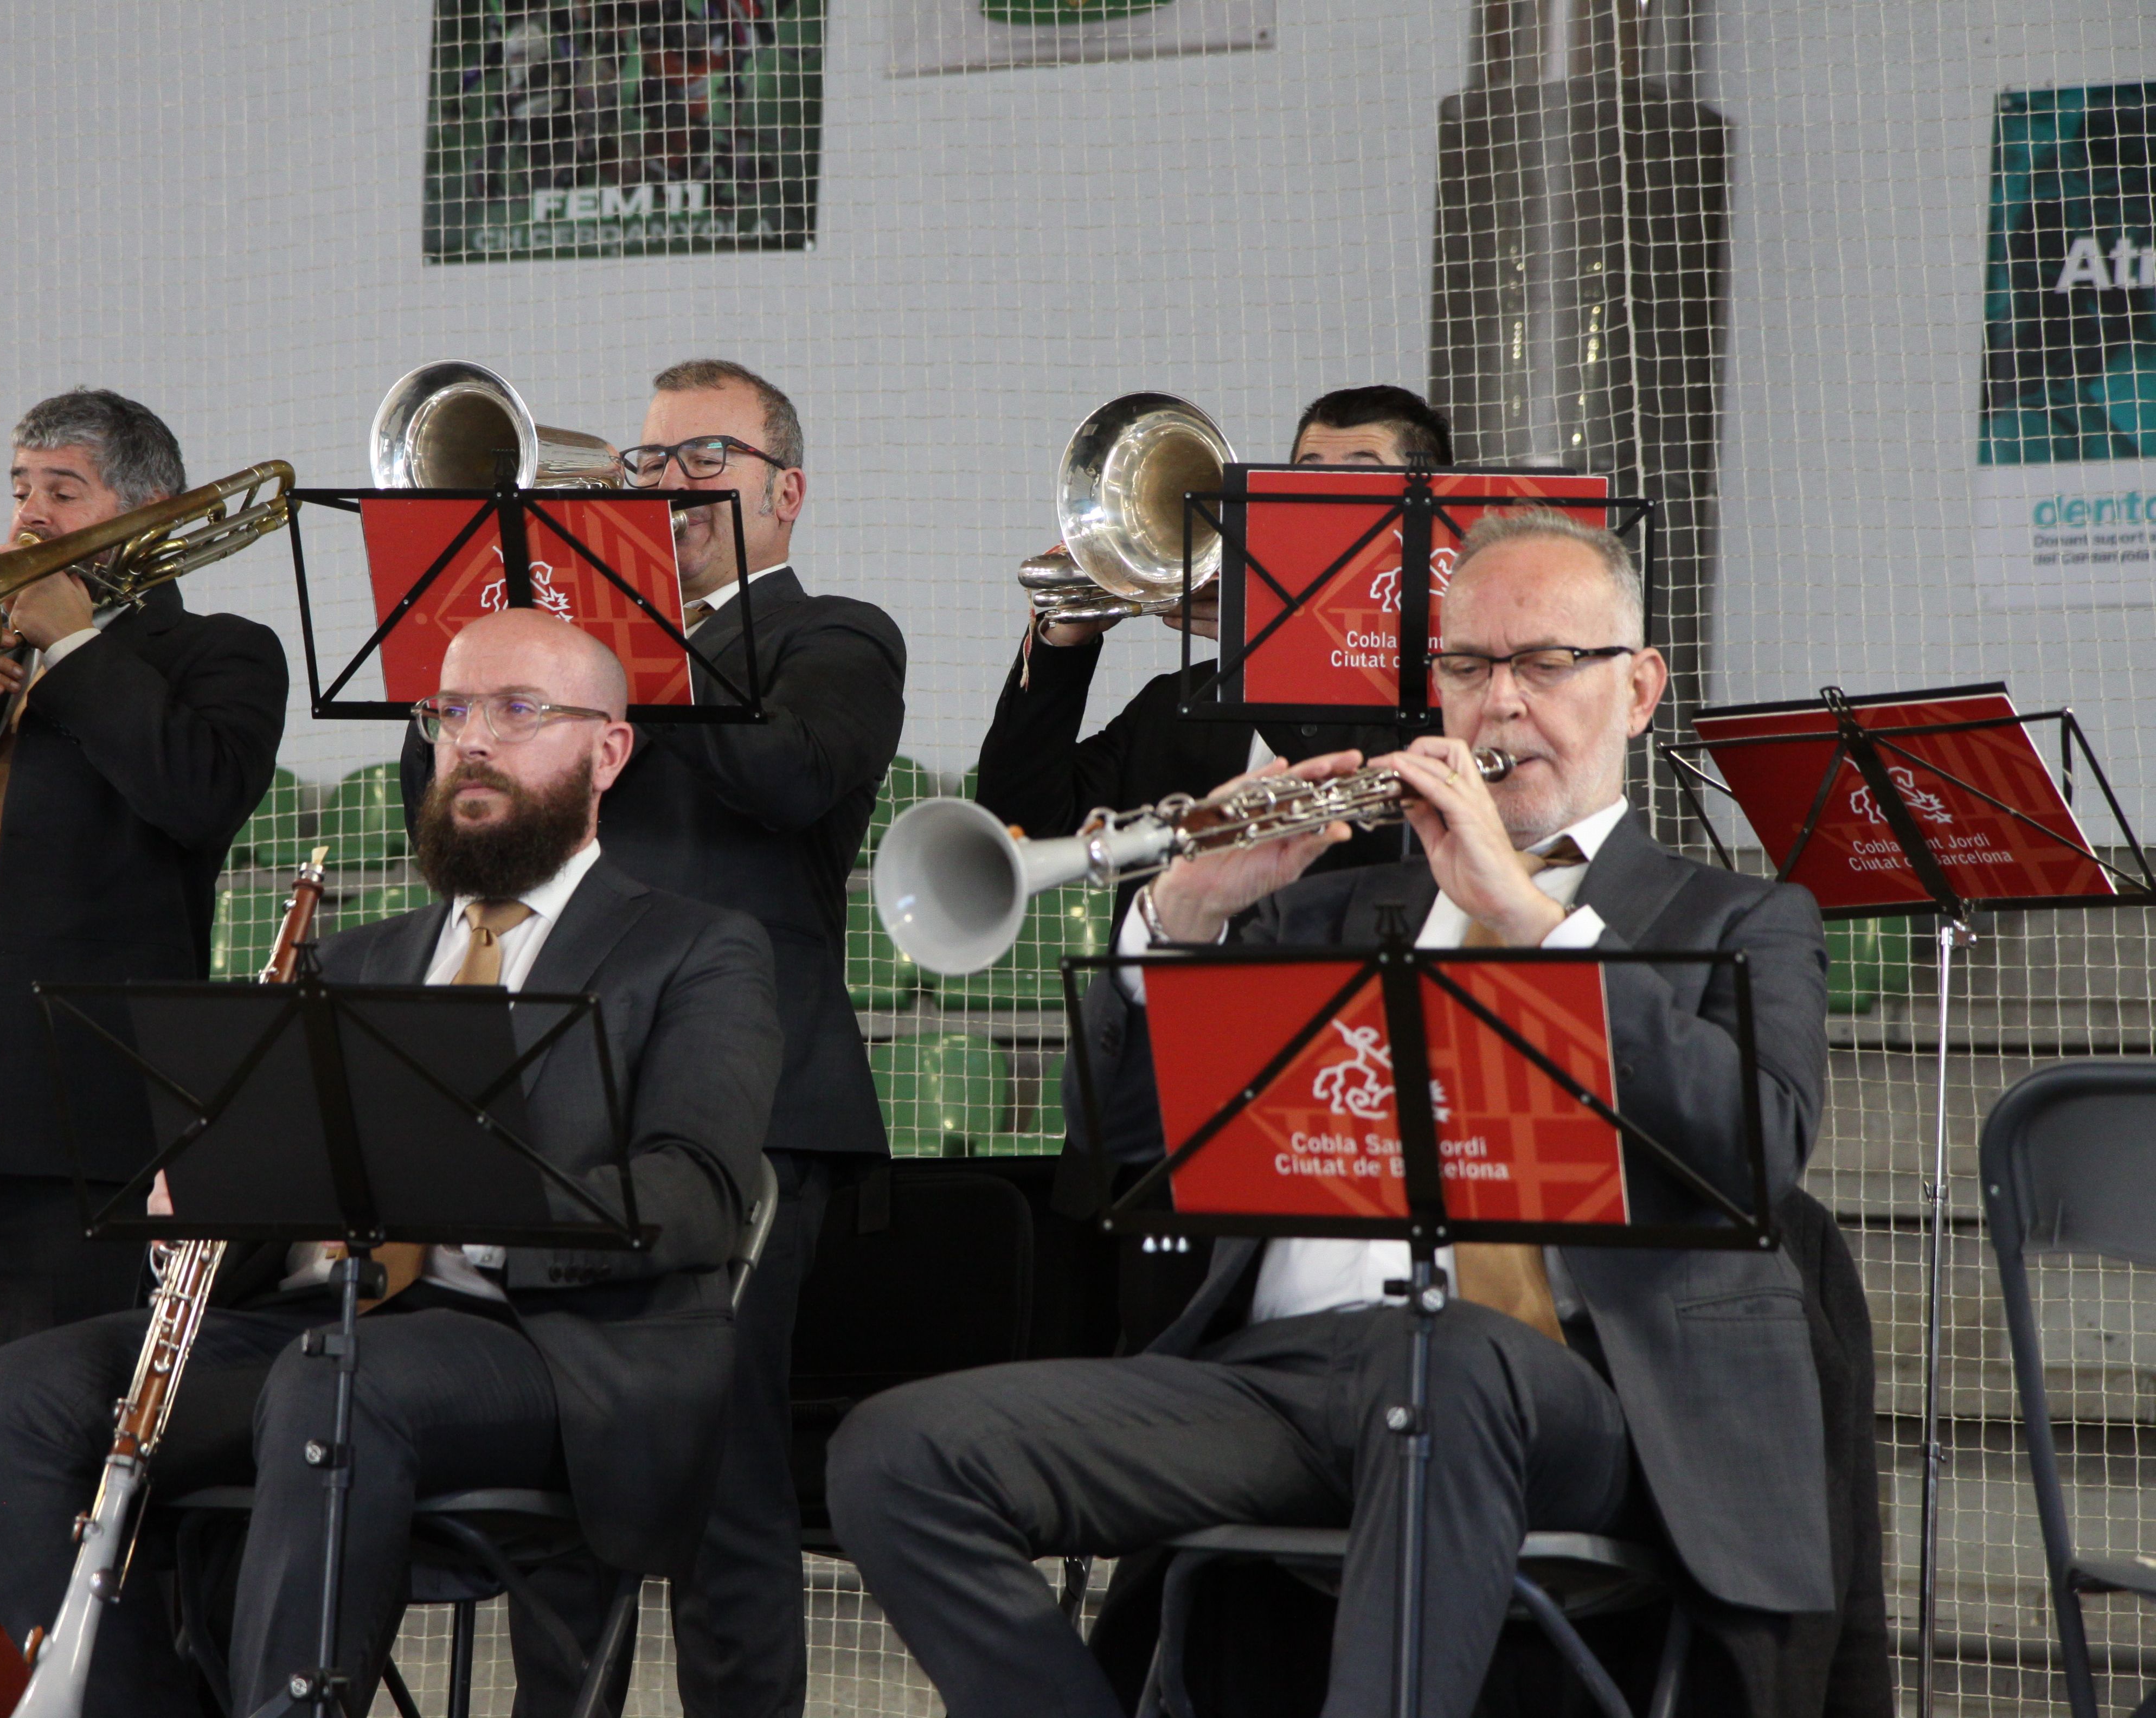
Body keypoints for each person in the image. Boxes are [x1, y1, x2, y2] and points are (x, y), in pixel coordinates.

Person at [829, 506, 1834, 1718]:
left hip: (1567, 1391)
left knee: (1443, 1359)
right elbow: (1129, 1163)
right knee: (897, 1456)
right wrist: (1186, 922)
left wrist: (1530, 924)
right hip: (1284, 1380)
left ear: (1639, 689)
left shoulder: (1738, 921)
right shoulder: (1323, 914)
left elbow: (1759, 1149)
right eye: (1467, 666)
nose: (1502, 702)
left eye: (1548, 662)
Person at [0, 608, 780, 1718]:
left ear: (608, 752)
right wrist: (216, 1193)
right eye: (450, 711)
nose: (471, 741)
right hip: (318, 1332)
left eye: (519, 712)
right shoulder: (358, 955)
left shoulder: (697, 949)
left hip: (555, 1351)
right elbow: (282, 1201)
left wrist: (476, 1205)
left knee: (335, 1381)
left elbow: (700, 1197)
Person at [400, 357, 905, 1718]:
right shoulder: (574, 654)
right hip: (556, 1099)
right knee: (580, 1468)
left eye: (701, 462)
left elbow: (786, 772)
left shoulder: (835, 636)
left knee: (721, 1484)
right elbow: (442, 820)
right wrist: (480, 675)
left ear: (785, 492)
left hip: (750, 1108)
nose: (662, 486)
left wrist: (617, 622)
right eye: (645, 462)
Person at [0, 389, 291, 1587]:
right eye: (20, 486)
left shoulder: (215, 655)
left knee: (38, 1474)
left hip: (75, 1135)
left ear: (146, 513)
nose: (26, 514)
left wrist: (78, 643)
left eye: (61, 490)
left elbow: (195, 793)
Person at [975, 384, 1456, 929]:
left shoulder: (1447, 700)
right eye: (1307, 474)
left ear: (1426, 515)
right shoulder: (1176, 702)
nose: (1324, 498)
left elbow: (1401, 842)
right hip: (1166, 1005)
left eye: (1359, 477)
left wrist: (1283, 651)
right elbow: (1022, 825)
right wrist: (1060, 649)